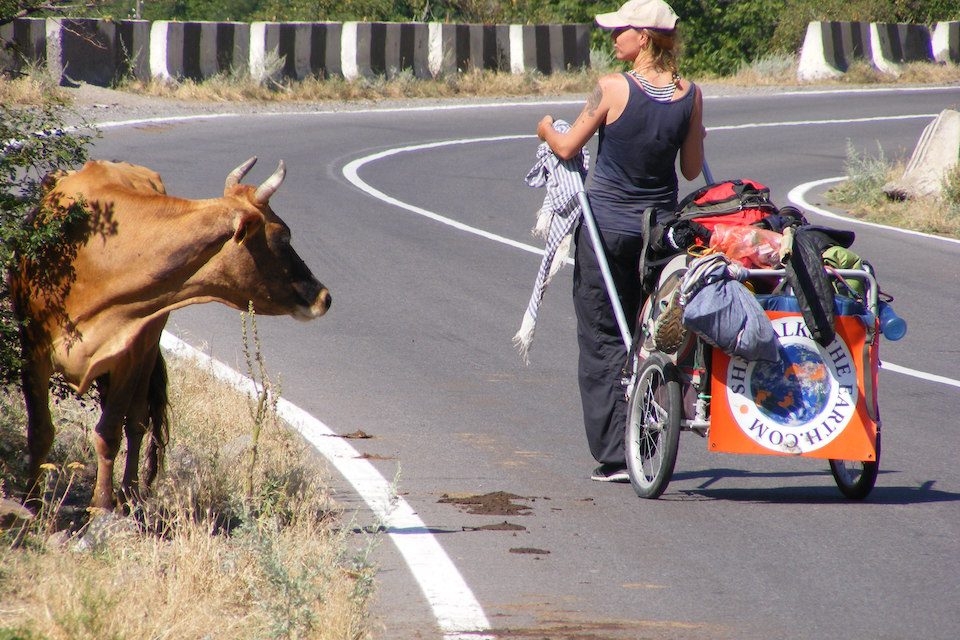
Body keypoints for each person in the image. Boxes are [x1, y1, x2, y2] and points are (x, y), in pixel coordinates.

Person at [536, 0, 705, 482]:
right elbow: (691, 169)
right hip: (659, 236)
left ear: (645, 39)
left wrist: (546, 128)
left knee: (603, 337)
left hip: (607, 229)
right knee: (651, 333)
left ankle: (616, 454)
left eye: (621, 32)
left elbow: (568, 148)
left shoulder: (612, 88)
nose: (613, 40)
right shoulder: (691, 95)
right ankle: (650, 428)